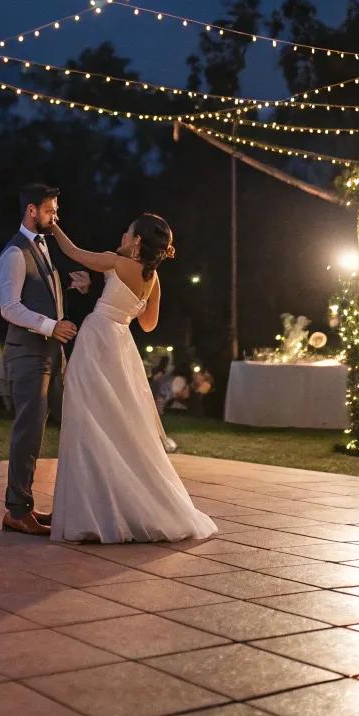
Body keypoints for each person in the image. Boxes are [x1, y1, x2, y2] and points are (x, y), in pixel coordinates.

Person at [49, 212, 217, 544]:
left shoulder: (116, 262)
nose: (122, 237)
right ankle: (124, 505)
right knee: (121, 423)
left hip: (97, 341)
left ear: (137, 241)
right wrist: (124, 300)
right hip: (122, 346)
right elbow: (148, 325)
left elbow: (74, 252)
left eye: (127, 233)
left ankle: (93, 511)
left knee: (87, 419)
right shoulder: (153, 279)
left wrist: (53, 225)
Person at [0, 183, 91, 535]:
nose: (55, 217)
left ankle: (57, 503)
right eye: (50, 211)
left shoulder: (43, 246)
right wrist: (52, 327)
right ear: (32, 210)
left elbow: (40, 296)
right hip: (28, 354)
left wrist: (74, 288)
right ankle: (17, 510)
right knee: (29, 431)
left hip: (52, 353)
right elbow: (9, 307)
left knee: (72, 421)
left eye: (56, 210)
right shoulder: (13, 253)